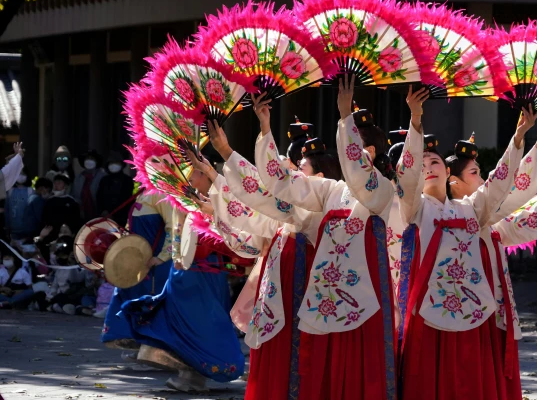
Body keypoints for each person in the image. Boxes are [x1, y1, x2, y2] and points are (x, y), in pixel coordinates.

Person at [394, 87, 537, 400]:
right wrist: (416, 118)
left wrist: (520, 136)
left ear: (448, 172)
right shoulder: (415, 209)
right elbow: (406, 177)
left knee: (471, 383)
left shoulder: (471, 210)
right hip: (430, 310)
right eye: (421, 164)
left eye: (434, 161)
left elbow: (501, 184)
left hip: (475, 310)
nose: (427, 167)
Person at [251, 76, 398, 400]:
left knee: (359, 373)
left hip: (365, 296)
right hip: (325, 295)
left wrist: (345, 115)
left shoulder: (383, 191)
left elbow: (360, 175)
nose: (345, 157)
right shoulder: (332, 191)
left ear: (369, 152)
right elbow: (283, 183)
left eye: (353, 148)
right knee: (322, 372)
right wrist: (265, 128)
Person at [187, 123, 339, 400]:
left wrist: (224, 151)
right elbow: (248, 235)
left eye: (299, 170)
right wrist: (213, 201)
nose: (292, 174)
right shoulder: (285, 218)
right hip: (274, 302)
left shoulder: (317, 210)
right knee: (274, 360)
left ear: (319, 179)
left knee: (295, 364)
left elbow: (260, 194)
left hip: (300, 299)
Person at [121, 160, 251, 393]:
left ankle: (195, 376)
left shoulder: (224, 199)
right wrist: (175, 255)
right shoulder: (185, 197)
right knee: (178, 318)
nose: (189, 178)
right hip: (184, 270)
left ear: (204, 173)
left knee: (203, 323)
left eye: (194, 174)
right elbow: (177, 229)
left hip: (207, 272)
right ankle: (187, 372)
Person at [101, 191, 175, 351]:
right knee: (127, 295)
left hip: (156, 263)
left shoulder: (161, 194)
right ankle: (137, 343)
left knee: (153, 304)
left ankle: (157, 349)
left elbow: (174, 228)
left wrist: (162, 257)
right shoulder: (142, 194)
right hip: (137, 262)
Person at [96, 152, 135, 226]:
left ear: (121, 165)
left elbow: (127, 198)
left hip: (122, 217)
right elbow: (99, 197)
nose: (114, 165)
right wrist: (103, 211)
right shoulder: (104, 180)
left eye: (116, 162)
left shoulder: (127, 180)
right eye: (111, 163)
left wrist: (115, 213)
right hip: (105, 216)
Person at [72, 149, 106, 220]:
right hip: (82, 214)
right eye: (87, 159)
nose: (89, 161)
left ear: (96, 161)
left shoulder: (103, 176)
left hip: (99, 214)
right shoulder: (79, 178)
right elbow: (75, 196)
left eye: (92, 159)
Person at [5, 169, 34, 243]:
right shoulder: (10, 191)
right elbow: (7, 212)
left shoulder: (30, 191)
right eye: (18, 173)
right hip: (13, 233)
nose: (20, 176)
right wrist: (7, 229)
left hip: (27, 233)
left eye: (23, 174)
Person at [23, 178, 53, 243]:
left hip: (28, 231)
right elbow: (40, 217)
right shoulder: (37, 200)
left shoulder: (31, 197)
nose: (48, 192)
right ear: (42, 188)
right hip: (34, 231)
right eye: (48, 190)